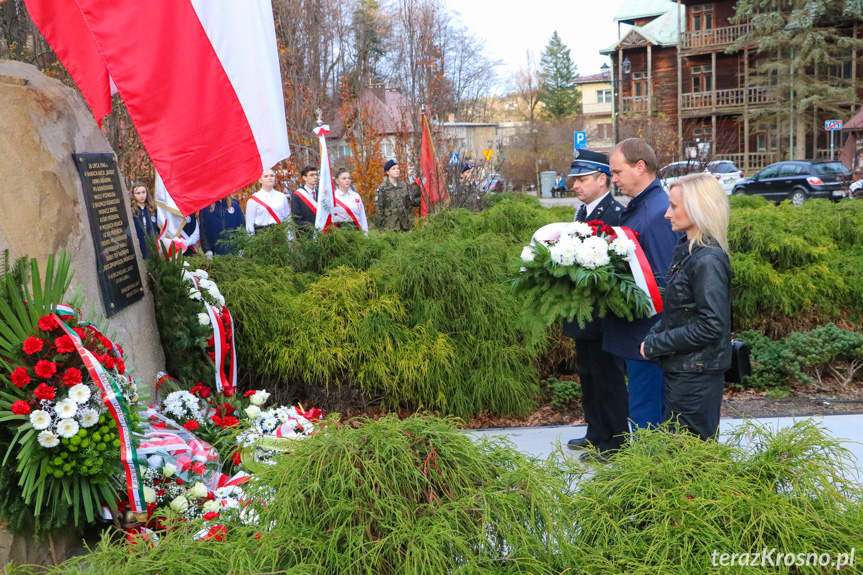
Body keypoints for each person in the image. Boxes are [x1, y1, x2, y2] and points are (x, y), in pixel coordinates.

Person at [640, 173, 732, 440]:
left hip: (696, 376)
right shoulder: (688, 251)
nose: (667, 214)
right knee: (681, 457)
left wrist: (656, 344)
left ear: (696, 208)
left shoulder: (707, 260)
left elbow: (712, 325)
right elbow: (679, 312)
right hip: (685, 371)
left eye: (674, 206)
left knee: (691, 460)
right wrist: (653, 337)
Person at [604, 138, 682, 431]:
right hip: (640, 337)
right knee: (642, 414)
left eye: (617, 172)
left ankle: (650, 475)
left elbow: (664, 283)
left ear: (640, 167)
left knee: (648, 419)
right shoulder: (642, 207)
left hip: (648, 338)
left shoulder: (657, 213)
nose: (613, 179)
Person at [560, 151, 628, 462]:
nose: (576, 184)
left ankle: (614, 440)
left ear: (603, 180)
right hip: (584, 311)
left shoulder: (613, 214)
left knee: (606, 378)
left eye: (583, 179)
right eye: (575, 179)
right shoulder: (583, 212)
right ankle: (596, 432)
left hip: (602, 313)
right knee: (588, 374)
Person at [375, 159, 421, 232]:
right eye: (393, 169)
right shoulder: (382, 188)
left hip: (404, 226)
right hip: (390, 227)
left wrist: (411, 224)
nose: (397, 170)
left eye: (398, 168)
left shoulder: (403, 186)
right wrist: (381, 229)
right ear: (387, 172)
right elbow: (379, 210)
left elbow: (408, 207)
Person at [245, 168, 290, 234]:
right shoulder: (253, 200)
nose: (270, 178)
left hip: (280, 234)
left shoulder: (282, 197)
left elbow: (287, 219)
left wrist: (289, 239)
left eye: (272, 176)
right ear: (260, 180)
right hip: (262, 236)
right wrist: (251, 241)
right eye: (266, 176)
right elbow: (250, 224)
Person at [331, 168, 369, 234]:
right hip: (341, 231)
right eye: (344, 178)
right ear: (337, 181)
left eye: (349, 178)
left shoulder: (355, 196)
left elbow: (362, 215)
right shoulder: (333, 197)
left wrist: (365, 232)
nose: (347, 180)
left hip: (356, 229)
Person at [130, 183, 157, 259]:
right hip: (138, 247)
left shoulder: (152, 209)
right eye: (138, 193)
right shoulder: (131, 211)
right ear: (133, 195)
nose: (141, 195)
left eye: (143, 192)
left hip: (153, 247)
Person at [291, 165, 318, 233]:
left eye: (316, 174)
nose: (315, 177)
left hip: (322, 235)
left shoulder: (321, 194)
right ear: (304, 178)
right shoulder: (297, 195)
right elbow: (297, 219)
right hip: (305, 235)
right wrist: (313, 227)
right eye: (311, 175)